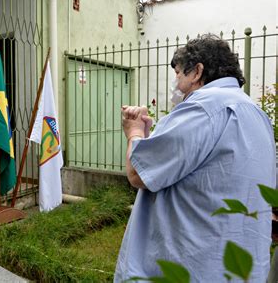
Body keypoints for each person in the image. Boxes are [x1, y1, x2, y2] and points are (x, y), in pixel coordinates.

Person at [115, 35, 275, 282]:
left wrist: (134, 131)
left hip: (192, 267)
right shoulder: (256, 114)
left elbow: (138, 174)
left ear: (197, 72)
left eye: (178, 73)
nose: (176, 82)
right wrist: (148, 137)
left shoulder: (202, 108)